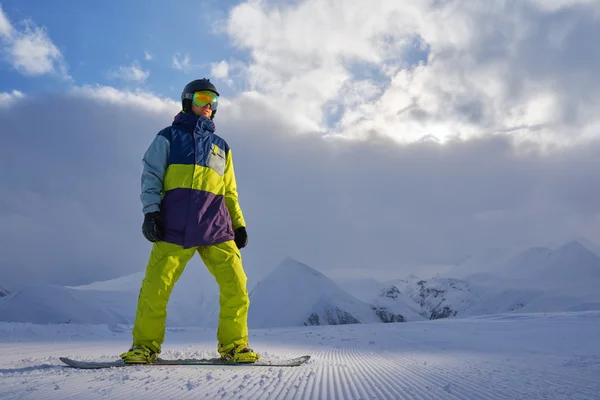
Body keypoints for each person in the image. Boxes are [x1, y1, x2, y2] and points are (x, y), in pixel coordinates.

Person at [120, 78, 259, 364]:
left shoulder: (221, 147)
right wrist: (151, 212)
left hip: (216, 227)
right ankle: (144, 347)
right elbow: (151, 177)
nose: (208, 105)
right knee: (155, 288)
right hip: (174, 225)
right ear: (188, 100)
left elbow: (229, 191)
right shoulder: (168, 137)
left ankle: (234, 346)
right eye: (202, 98)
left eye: (214, 101)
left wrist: (239, 224)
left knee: (236, 285)